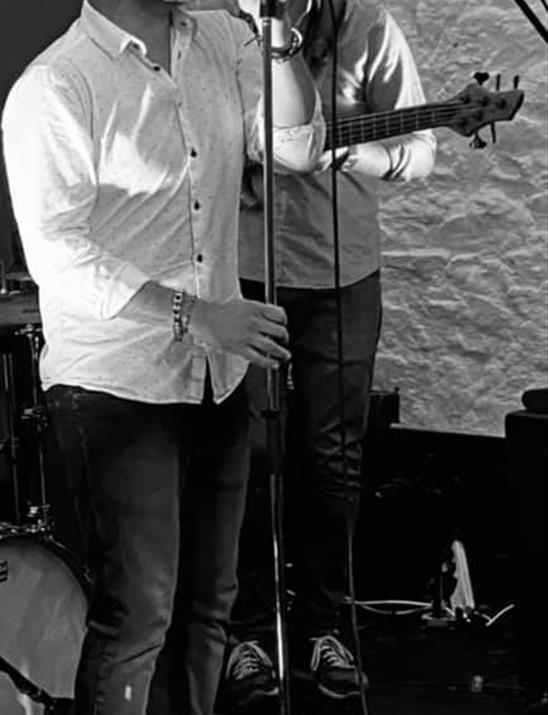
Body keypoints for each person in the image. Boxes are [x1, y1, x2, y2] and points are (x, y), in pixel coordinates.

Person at [1, 0, 326, 711]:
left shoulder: (219, 39)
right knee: (139, 614)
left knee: (210, 603)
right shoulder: (57, 84)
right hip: (117, 383)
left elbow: (298, 149)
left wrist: (278, 37)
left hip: (216, 372)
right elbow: (58, 256)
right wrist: (195, 314)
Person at [222, 0, 436, 706]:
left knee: (332, 455)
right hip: (240, 274)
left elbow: (423, 150)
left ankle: (327, 625)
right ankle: (247, 631)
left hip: (341, 279)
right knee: (248, 454)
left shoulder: (365, 26)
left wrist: (351, 151)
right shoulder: (216, 27)